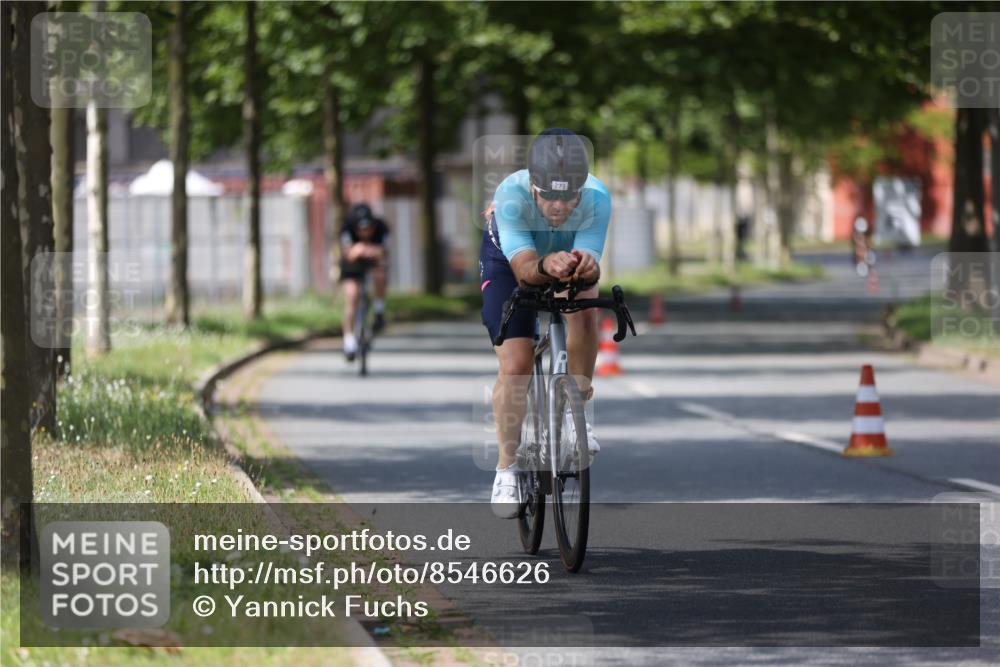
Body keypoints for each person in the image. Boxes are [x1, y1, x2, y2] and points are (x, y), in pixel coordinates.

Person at [480, 129, 611, 518]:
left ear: (582, 189)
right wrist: (543, 264)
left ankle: (578, 413)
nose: (558, 206)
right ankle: (507, 467)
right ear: (533, 187)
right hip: (510, 262)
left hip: (562, 256)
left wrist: (585, 268)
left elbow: (588, 267)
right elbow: (524, 271)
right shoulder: (511, 196)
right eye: (548, 196)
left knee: (586, 314)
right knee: (517, 364)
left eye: (568, 196)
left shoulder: (598, 197)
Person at [340, 203, 389, 361]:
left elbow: (384, 252)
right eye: (361, 228)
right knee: (352, 296)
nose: (365, 232)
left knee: (380, 275)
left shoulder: (382, 228)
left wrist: (373, 251)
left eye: (368, 228)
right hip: (352, 266)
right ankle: (348, 341)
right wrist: (357, 250)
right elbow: (348, 253)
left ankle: (379, 310)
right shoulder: (346, 228)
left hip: (373, 262)